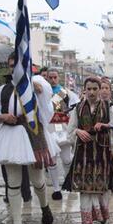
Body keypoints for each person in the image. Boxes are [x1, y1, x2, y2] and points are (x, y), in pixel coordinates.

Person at [0, 52, 56, 224]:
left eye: (16, 65)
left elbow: (46, 112)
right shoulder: (2, 90)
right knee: (13, 181)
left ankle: (45, 207)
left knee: (37, 179)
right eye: (11, 65)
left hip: (33, 134)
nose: (13, 69)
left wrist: (38, 90)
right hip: (11, 136)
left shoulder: (36, 87)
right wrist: (2, 117)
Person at [67, 77, 113, 224]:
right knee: (85, 189)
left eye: (95, 89)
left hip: (102, 153)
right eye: (89, 89)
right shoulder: (77, 108)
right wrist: (78, 131)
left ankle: (102, 214)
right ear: (84, 90)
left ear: (100, 90)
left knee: (102, 187)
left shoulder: (109, 107)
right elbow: (69, 131)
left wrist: (106, 126)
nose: (92, 92)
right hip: (83, 154)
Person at [46, 68, 79, 200]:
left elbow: (75, 110)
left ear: (58, 78)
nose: (53, 80)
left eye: (55, 77)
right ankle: (56, 189)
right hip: (49, 129)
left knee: (66, 159)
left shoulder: (66, 93)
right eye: (50, 77)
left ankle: (68, 183)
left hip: (64, 128)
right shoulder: (43, 93)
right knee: (52, 161)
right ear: (47, 78)